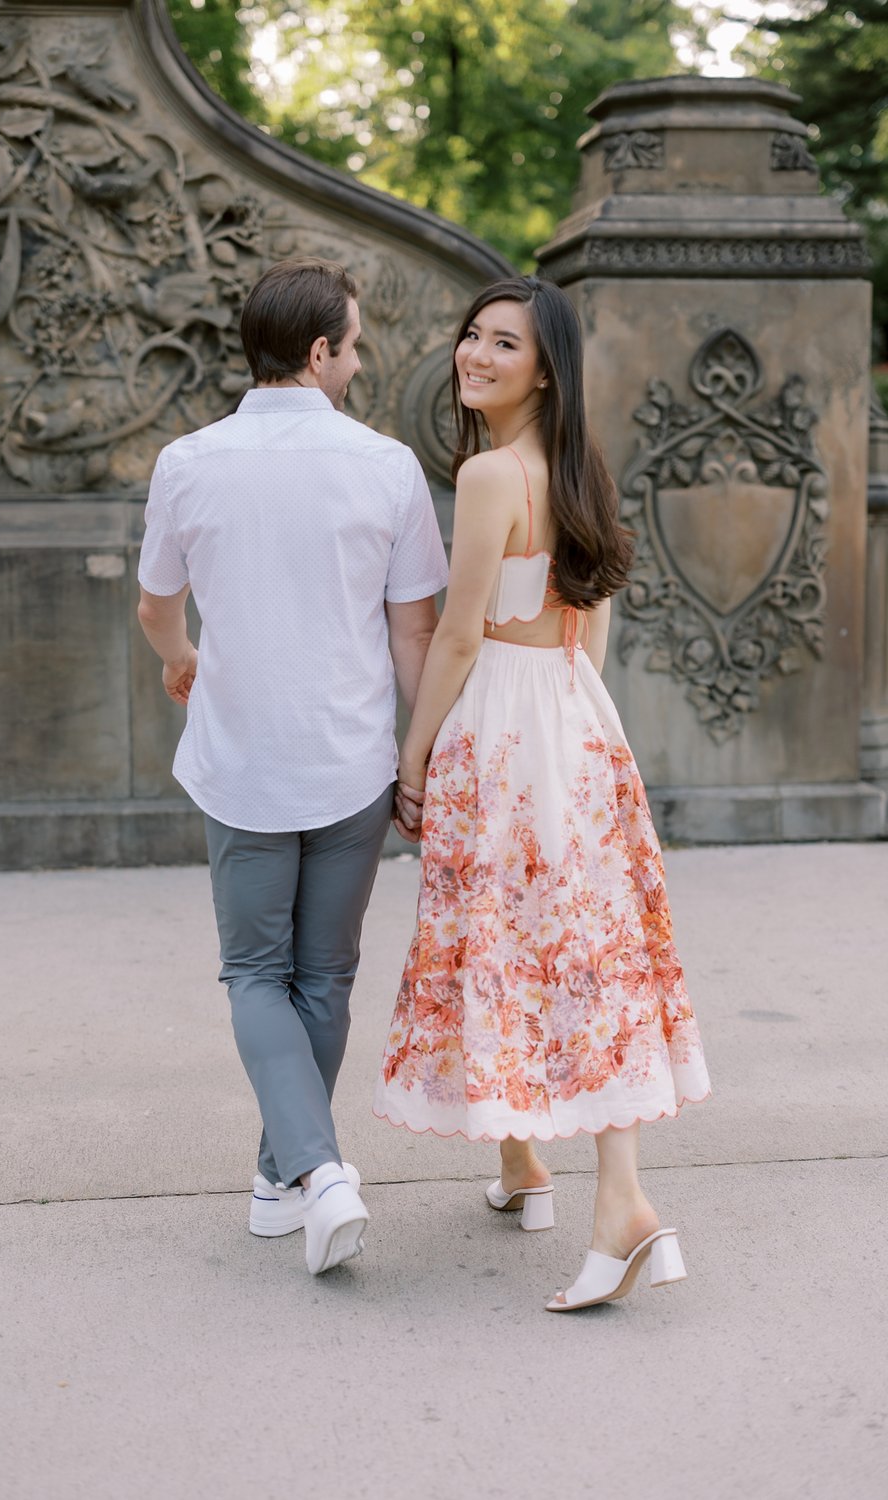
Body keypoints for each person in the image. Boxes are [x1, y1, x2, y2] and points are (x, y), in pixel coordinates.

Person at [374, 275, 710, 1311]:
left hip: (505, 720)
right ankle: (527, 1169)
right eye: (470, 335)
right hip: (574, 712)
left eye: (502, 344)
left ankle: (623, 1205)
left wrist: (415, 753)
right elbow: (592, 615)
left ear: (544, 368)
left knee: (518, 938)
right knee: (572, 937)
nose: (474, 355)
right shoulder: (578, 469)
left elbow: (463, 632)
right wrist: (574, 719)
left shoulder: (487, 478)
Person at [137, 258, 448, 1276]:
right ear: (318, 353)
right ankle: (298, 1179)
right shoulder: (389, 467)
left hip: (242, 761)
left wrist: (182, 660)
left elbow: (155, 605)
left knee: (253, 971)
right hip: (352, 759)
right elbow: (416, 638)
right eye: (353, 346)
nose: (357, 363)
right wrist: (419, 759)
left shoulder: (187, 461)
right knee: (323, 974)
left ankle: (303, 1174)